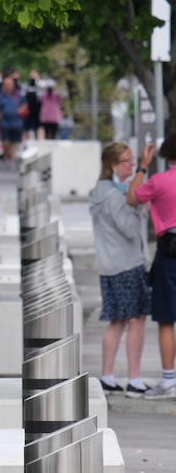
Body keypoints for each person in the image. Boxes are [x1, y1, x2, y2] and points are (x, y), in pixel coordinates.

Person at [89, 142, 151, 397]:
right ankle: (134, 378)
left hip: (110, 265)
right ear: (113, 165)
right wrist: (139, 207)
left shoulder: (99, 192)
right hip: (127, 263)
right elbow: (130, 229)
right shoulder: (116, 196)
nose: (132, 164)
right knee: (136, 320)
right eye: (127, 161)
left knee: (117, 321)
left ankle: (108, 375)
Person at [128, 138, 176, 400]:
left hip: (170, 254)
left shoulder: (159, 182)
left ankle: (169, 380)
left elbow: (132, 198)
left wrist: (143, 166)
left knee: (167, 319)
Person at [0, 76, 24, 167]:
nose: (8, 86)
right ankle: (6, 155)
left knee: (14, 142)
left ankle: (12, 160)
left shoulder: (18, 95)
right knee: (5, 142)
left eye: (10, 84)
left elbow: (25, 105)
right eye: (6, 84)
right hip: (5, 123)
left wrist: (20, 110)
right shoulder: (1, 96)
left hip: (16, 122)